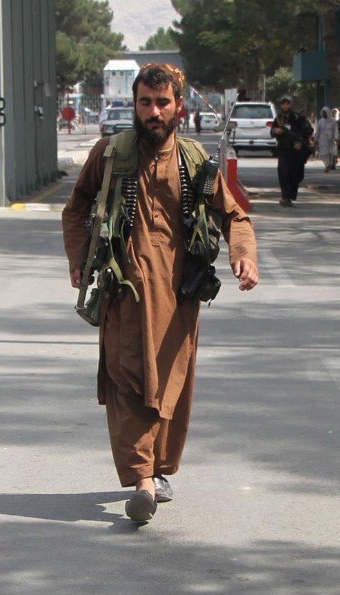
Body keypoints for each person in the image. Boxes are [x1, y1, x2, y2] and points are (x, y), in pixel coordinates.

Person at [61, 63, 259, 523]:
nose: (153, 112)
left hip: (178, 297)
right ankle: (142, 481)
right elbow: (76, 208)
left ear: (179, 107)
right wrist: (79, 259)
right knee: (128, 380)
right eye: (145, 103)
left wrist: (243, 256)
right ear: (134, 105)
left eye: (162, 103)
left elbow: (234, 215)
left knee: (170, 383)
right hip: (124, 292)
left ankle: (157, 469)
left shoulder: (194, 160)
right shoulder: (110, 153)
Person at [270, 95, 312, 207]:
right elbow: (272, 132)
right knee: (284, 173)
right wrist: (276, 131)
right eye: (283, 104)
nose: (285, 106)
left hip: (296, 151)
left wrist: (300, 143)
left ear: (290, 105)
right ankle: (285, 197)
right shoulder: (278, 118)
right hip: (284, 150)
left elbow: (306, 132)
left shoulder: (297, 117)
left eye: (287, 104)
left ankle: (290, 196)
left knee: (296, 174)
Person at [313, 107, 339, 172]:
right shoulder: (320, 121)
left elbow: (335, 130)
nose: (324, 114)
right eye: (323, 113)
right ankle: (327, 165)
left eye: (325, 113)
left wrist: (336, 138)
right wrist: (315, 139)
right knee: (323, 153)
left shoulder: (333, 121)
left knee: (330, 153)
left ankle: (330, 164)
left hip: (331, 139)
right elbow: (318, 131)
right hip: (322, 139)